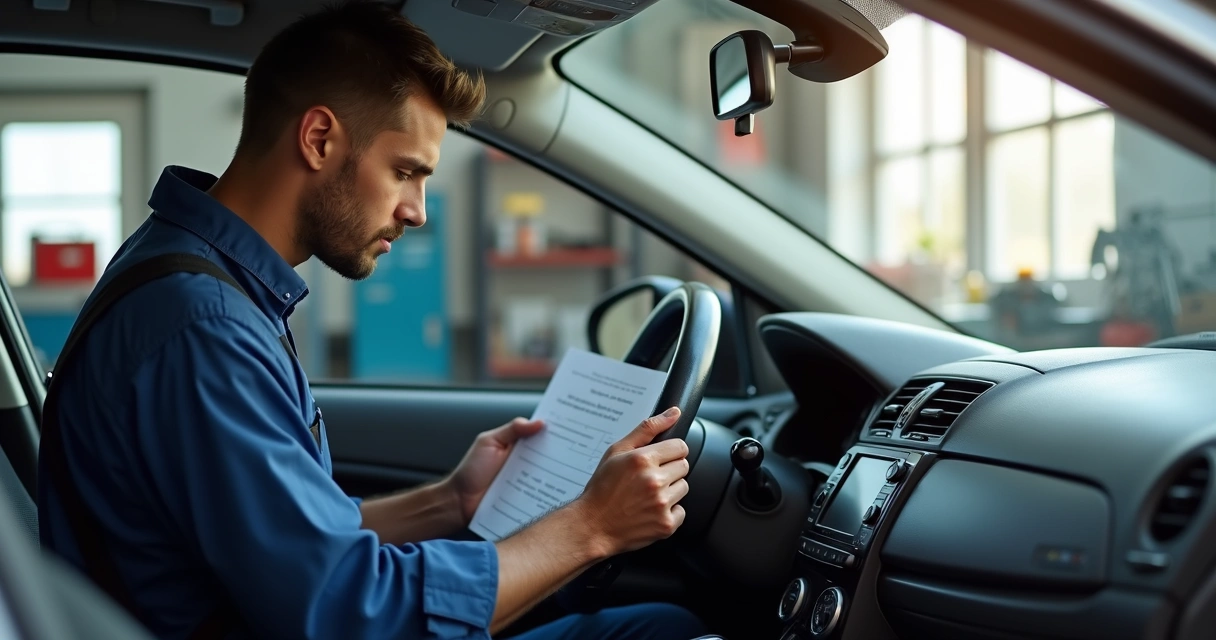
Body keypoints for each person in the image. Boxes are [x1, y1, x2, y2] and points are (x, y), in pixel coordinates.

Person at [36, 2, 707, 639]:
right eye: (405, 171)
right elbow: (352, 616)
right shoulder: (203, 327)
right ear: (320, 138)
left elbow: (293, 544)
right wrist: (591, 526)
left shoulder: (199, 280)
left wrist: (451, 502)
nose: (417, 210)